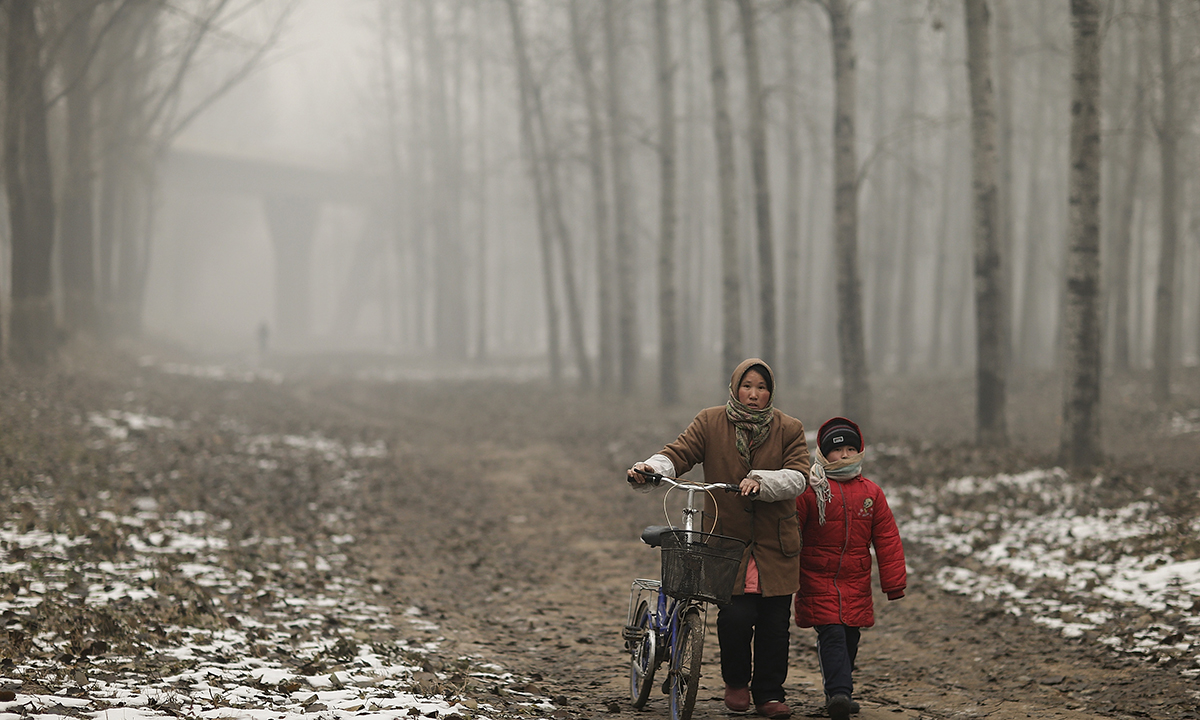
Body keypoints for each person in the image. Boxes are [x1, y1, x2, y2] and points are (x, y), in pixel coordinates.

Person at [628, 358, 809, 720]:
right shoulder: (710, 422)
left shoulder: (789, 428)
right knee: (735, 620)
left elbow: (799, 476)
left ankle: (770, 694)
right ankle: (737, 684)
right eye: (747, 386)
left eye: (761, 387)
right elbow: (679, 453)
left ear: (770, 391)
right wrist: (652, 468)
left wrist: (762, 480)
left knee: (775, 625)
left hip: (776, 544)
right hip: (727, 543)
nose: (754, 394)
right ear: (734, 387)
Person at [794, 417, 906, 720]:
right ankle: (841, 693)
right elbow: (792, 532)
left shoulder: (871, 493)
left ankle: (836, 692)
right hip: (816, 575)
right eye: (837, 449)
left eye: (850, 449)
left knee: (850, 637)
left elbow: (887, 538)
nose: (844, 455)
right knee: (831, 633)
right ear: (823, 453)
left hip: (854, 579)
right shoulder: (811, 489)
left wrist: (894, 582)